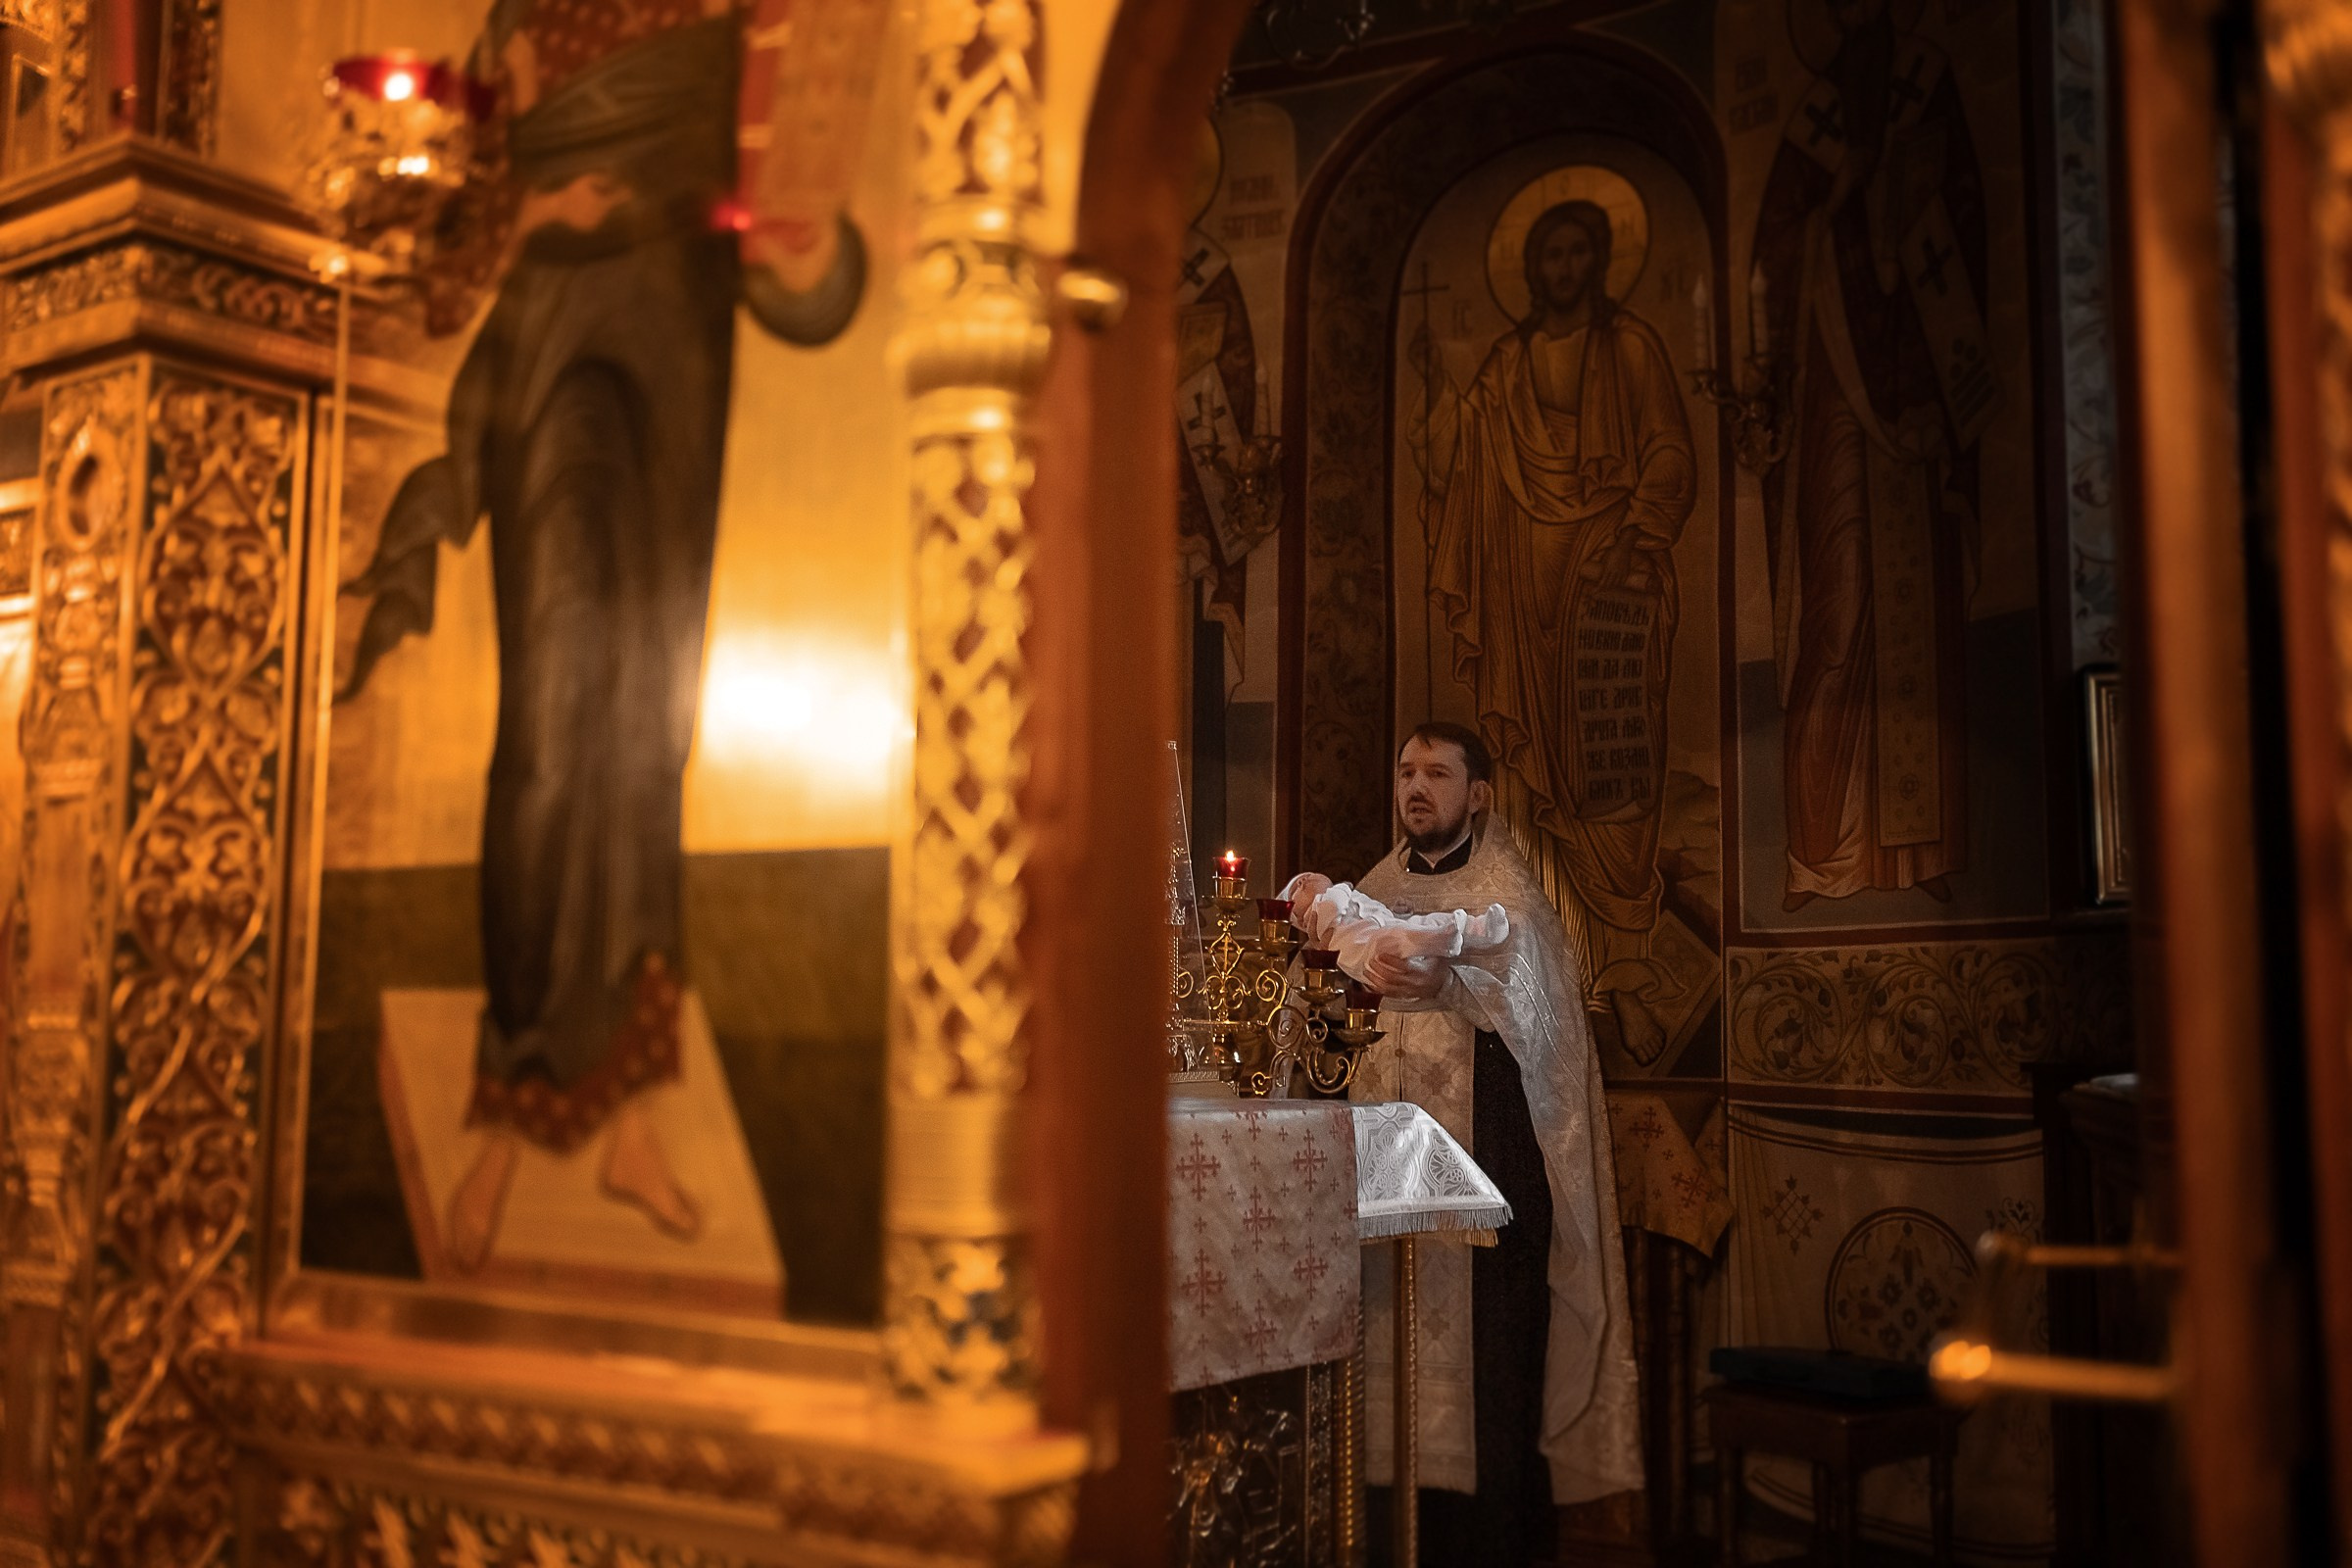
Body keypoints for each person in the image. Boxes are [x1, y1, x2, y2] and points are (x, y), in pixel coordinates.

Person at [338, 0, 871, 1273]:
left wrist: (806, 243)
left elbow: (798, 244)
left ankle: (629, 1118)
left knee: (647, 733)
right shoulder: (518, 22)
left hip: (674, 347)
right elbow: (445, 254)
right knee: (546, 734)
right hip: (549, 345)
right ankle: (516, 1100)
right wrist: (526, 216)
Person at [1347, 721, 1642, 1566]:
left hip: (1487, 1180)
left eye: (1438, 772)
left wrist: (1459, 981)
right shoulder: (1368, 889)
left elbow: (1545, 1040)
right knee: (1381, 1367)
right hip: (1383, 1197)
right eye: (1406, 771)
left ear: (1478, 794)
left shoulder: (1511, 894)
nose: (1416, 787)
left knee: (1492, 1372)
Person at [1410, 197, 1696, 1056]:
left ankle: (1622, 971)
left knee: (1611, 778)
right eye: (1551, 256)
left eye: (1578, 254)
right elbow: (1461, 460)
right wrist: (1434, 398)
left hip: (1609, 588)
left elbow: (1671, 453)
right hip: (1522, 594)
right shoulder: (1507, 362)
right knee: (1529, 781)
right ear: (1531, 268)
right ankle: (1549, 976)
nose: (1563, 270)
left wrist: (1640, 531)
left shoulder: (1631, 348)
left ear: (1601, 261)